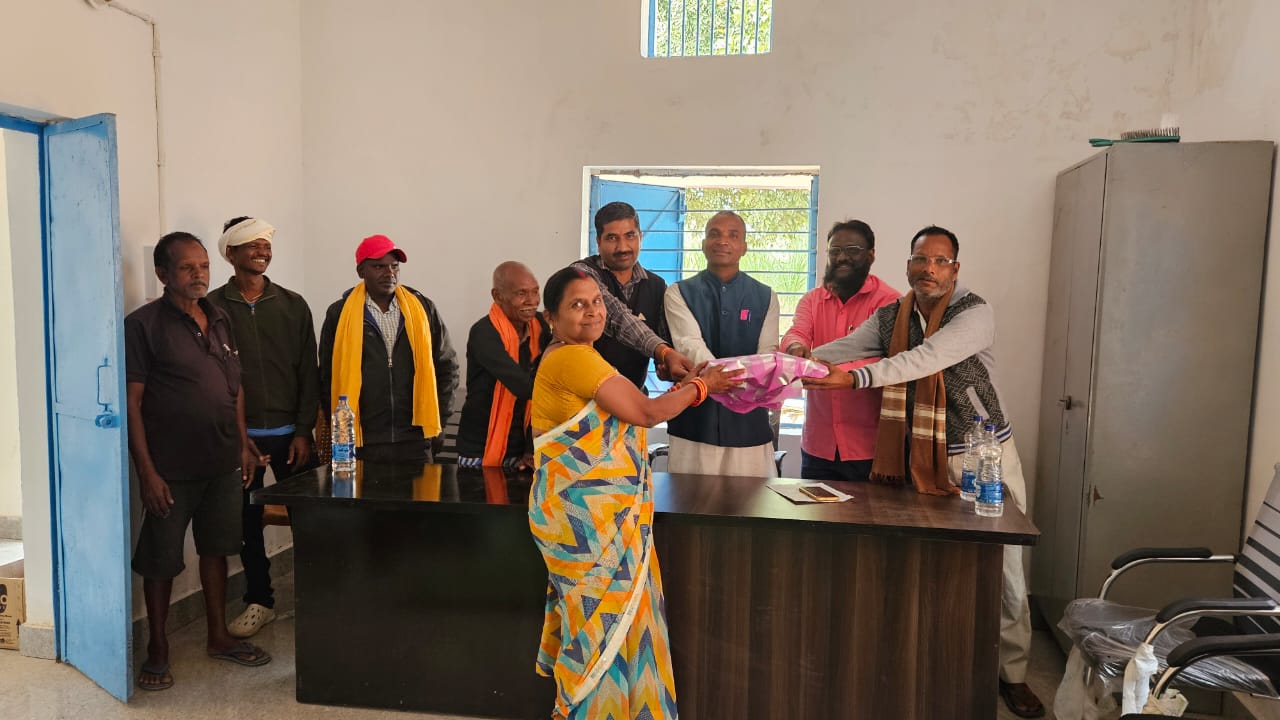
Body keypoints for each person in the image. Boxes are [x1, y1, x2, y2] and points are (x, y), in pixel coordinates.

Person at [802, 225, 1043, 718]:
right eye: (919, 259)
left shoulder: (974, 312)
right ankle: (940, 660)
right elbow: (847, 345)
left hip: (981, 455)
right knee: (933, 565)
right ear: (908, 264)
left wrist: (855, 378)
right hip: (921, 459)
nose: (928, 269)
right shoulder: (894, 315)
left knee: (1005, 571)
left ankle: (1013, 674)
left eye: (939, 261)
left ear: (955, 269)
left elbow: (922, 360)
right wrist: (798, 361)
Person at [529, 266, 742, 719]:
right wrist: (702, 387)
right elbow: (646, 412)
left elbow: (633, 407)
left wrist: (682, 385)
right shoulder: (574, 359)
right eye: (577, 305)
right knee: (601, 631)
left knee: (615, 625)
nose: (592, 312)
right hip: (587, 525)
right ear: (551, 317)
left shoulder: (581, 356)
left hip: (601, 522)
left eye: (597, 302)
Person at [125, 232, 271, 692]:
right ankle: (158, 648)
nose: (198, 275)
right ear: (163, 273)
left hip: (222, 462)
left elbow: (234, 388)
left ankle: (217, 636)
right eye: (187, 267)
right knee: (160, 561)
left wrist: (243, 444)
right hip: (170, 469)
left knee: (217, 548)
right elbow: (131, 403)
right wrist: (147, 473)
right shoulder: (144, 325)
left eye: (203, 266)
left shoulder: (220, 317)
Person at [208, 216, 319, 638]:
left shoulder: (293, 305)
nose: (262, 251)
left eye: (266, 244)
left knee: (310, 520)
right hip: (241, 440)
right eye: (252, 244)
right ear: (230, 252)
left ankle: (318, 597)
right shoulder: (213, 308)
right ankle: (260, 601)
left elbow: (308, 372)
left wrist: (304, 430)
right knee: (246, 524)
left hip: (292, 436)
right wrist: (237, 439)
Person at [318, 234, 459, 464]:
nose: (389, 273)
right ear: (361, 271)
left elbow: (447, 367)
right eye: (379, 267)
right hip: (363, 440)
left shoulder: (423, 308)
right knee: (362, 490)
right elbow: (327, 376)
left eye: (394, 266)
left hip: (415, 438)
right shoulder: (339, 314)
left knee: (419, 490)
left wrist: (440, 422)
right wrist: (342, 431)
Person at [663, 210, 781, 478]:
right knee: (691, 500)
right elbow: (691, 346)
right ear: (703, 244)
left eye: (733, 235)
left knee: (752, 501)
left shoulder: (765, 297)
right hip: (695, 423)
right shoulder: (678, 292)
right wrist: (731, 379)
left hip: (749, 425)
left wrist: (729, 381)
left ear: (744, 247)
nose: (722, 241)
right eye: (714, 234)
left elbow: (767, 356)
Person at [781, 219, 899, 482]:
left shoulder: (889, 302)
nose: (842, 257)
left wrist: (839, 374)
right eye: (835, 251)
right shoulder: (812, 300)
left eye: (852, 250)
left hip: (869, 447)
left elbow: (889, 361)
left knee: (869, 511)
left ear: (871, 255)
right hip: (817, 446)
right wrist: (796, 348)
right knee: (814, 509)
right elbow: (797, 332)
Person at [572, 208, 695, 388]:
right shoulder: (581, 274)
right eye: (612, 238)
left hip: (634, 398)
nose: (622, 247)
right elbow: (617, 317)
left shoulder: (656, 286)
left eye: (630, 236)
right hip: (582, 397)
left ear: (640, 237)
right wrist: (664, 352)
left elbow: (666, 345)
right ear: (598, 241)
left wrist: (667, 366)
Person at [456, 261, 548, 470]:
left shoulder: (540, 326)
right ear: (497, 296)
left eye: (535, 292)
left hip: (523, 449)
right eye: (521, 293)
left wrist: (531, 449)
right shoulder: (484, 333)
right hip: (480, 449)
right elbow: (523, 386)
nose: (532, 301)